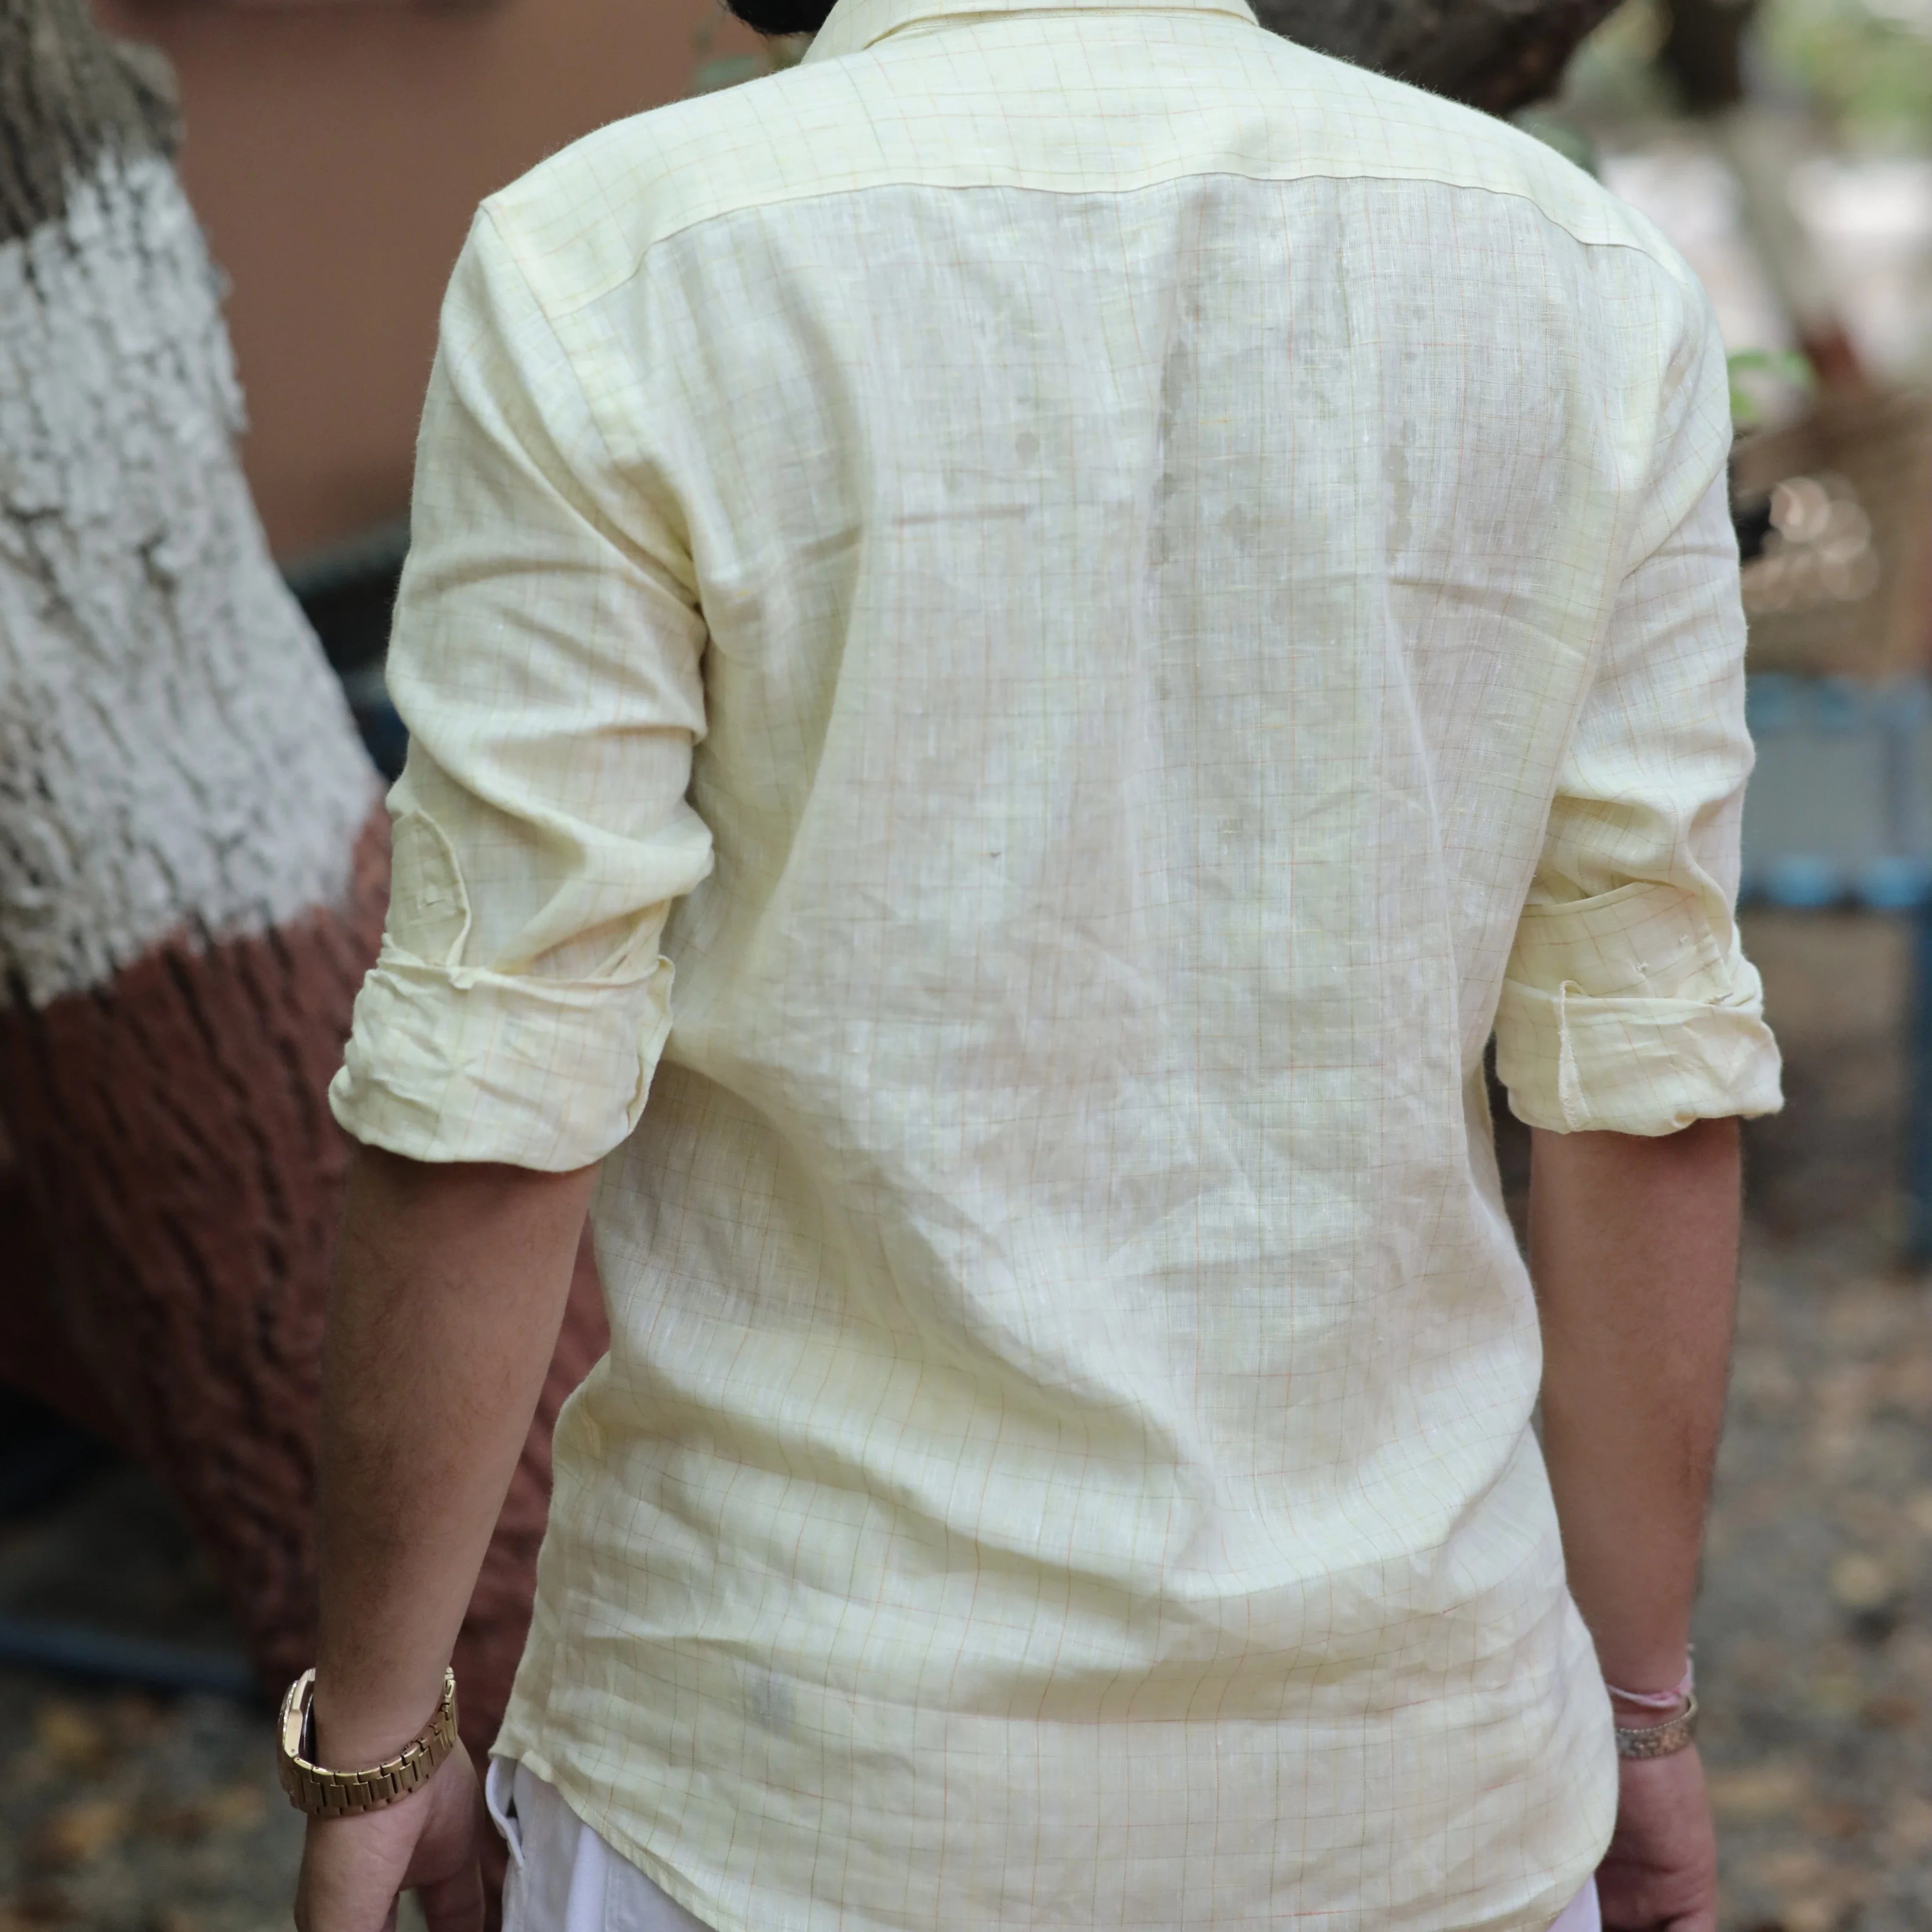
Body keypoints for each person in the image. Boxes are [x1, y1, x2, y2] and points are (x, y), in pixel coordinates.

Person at [286, 0, 1783, 1925]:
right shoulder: (1582, 281)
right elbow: (1639, 1076)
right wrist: (1639, 1711)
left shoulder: (621, 263)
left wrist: (379, 1736)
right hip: (1415, 1780)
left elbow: (500, 1079)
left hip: (780, 1775)